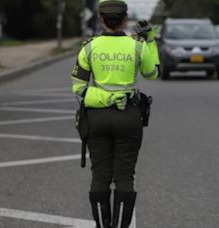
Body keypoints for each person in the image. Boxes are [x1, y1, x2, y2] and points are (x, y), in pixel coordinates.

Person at [70, 0, 159, 227]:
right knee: (124, 176)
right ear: (125, 19)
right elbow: (153, 73)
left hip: (97, 118)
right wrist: (150, 42)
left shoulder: (88, 47)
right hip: (129, 117)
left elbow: (79, 88)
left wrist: (105, 98)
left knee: (99, 176)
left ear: (101, 19)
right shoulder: (137, 46)